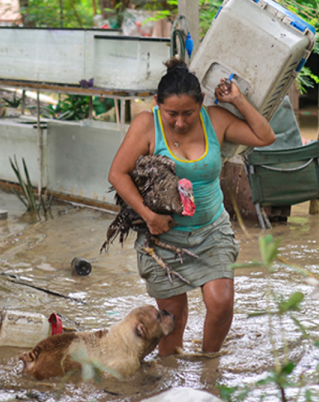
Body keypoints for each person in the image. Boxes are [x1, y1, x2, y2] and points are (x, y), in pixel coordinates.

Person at [108, 59, 275, 357]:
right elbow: (117, 174)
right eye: (172, 113)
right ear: (158, 103)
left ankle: (209, 366)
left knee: (221, 304)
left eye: (189, 113)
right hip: (163, 240)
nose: (181, 122)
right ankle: (171, 382)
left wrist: (237, 99)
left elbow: (265, 136)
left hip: (212, 231)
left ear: (201, 103)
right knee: (175, 322)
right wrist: (150, 217)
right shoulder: (147, 125)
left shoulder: (216, 120)